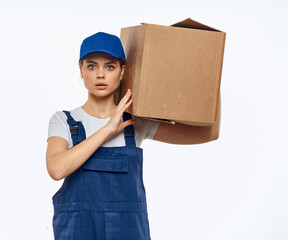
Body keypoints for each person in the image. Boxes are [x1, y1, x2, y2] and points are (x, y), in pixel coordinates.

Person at [46, 32, 220, 240]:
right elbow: (56, 169)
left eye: (110, 66)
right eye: (92, 66)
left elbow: (209, 133)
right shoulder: (64, 121)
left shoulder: (137, 122)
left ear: (122, 71)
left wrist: (211, 74)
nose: (100, 74)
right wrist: (107, 130)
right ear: (81, 71)